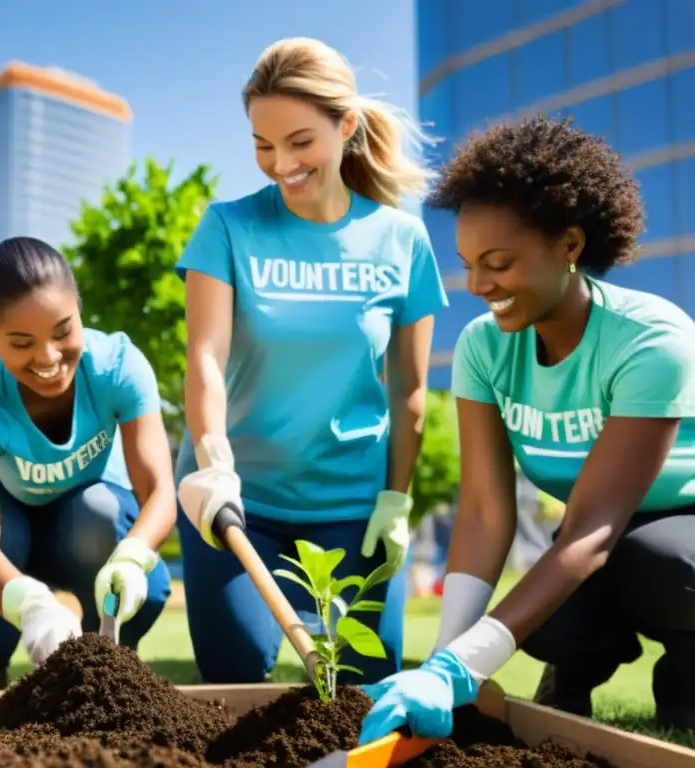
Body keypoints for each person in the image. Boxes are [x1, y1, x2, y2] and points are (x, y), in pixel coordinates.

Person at [357, 115, 695, 745]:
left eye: (499, 263)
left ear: (569, 245)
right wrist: (446, 660)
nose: (479, 286)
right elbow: (485, 510)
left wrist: (464, 664)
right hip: (599, 536)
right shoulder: (484, 349)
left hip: (674, 529)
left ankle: (686, 681)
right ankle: (573, 672)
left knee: (666, 559)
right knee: (541, 615)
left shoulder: (652, 339)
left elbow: (594, 528)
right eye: (467, 265)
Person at [175, 37, 449, 685]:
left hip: (352, 508)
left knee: (365, 684)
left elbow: (409, 390)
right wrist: (213, 464)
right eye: (262, 145)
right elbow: (204, 358)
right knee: (236, 678)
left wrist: (396, 500)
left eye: (300, 142)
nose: (280, 164)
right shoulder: (227, 228)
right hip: (238, 504)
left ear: (345, 125)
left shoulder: (400, 240)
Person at [0, 236, 175, 690]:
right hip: (2, 526)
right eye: (22, 343)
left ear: (78, 309)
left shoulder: (117, 367)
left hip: (77, 526)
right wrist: (31, 604)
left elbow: (158, 494)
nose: (49, 358)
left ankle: (103, 675)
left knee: (123, 549)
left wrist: (132, 559)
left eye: (62, 331)